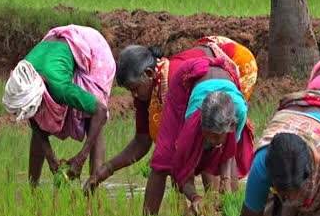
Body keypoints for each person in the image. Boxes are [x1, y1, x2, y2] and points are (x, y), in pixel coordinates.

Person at [85, 36, 258, 191]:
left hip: (236, 62)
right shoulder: (145, 92)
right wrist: (107, 169)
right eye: (131, 91)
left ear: (149, 74)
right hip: (204, 68)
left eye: (135, 89)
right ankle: (202, 204)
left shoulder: (174, 78)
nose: (134, 96)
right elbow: (142, 141)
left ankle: (219, 203)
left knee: (213, 139)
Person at [1, 25, 116, 186]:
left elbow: (101, 111)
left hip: (93, 47)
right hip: (54, 47)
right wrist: (51, 159)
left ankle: (92, 188)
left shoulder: (59, 87)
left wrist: (80, 159)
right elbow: (33, 117)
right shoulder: (22, 78)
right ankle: (33, 190)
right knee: (38, 114)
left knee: (91, 115)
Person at [143, 55, 254, 216]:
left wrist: (225, 180)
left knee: (226, 166)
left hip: (225, 76)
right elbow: (181, 171)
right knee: (164, 157)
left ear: (230, 126)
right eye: (208, 136)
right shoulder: (192, 122)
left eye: (216, 137)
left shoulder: (239, 112)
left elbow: (229, 153)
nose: (211, 141)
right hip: (185, 79)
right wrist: (195, 197)